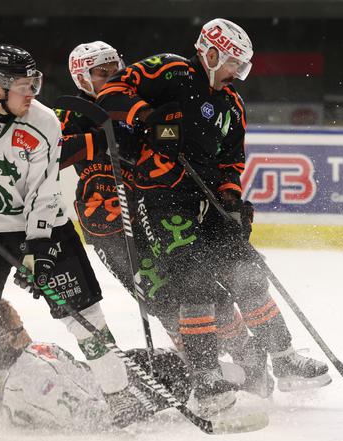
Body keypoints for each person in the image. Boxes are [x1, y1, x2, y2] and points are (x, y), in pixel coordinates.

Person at [95, 18, 330, 413]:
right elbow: (111, 93)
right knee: (195, 284)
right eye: (233, 63)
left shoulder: (232, 104)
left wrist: (231, 203)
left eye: (242, 65)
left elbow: (231, 162)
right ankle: (205, 377)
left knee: (248, 274)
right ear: (211, 52)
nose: (237, 72)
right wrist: (146, 117)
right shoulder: (169, 70)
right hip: (163, 200)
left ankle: (284, 357)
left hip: (209, 205)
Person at [0, 43, 149, 428]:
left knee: (83, 314)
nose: (32, 94)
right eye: (23, 86)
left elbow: (45, 191)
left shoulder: (44, 122)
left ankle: (118, 394)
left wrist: (38, 246)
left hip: (45, 226)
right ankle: (0, 389)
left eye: (35, 83)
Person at [0, 299, 189, 430]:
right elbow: (92, 416)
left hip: (110, 388)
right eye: (19, 325)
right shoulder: (35, 374)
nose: (23, 326)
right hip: (116, 402)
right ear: (9, 337)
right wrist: (137, 405)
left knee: (163, 362)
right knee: (177, 370)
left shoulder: (28, 360)